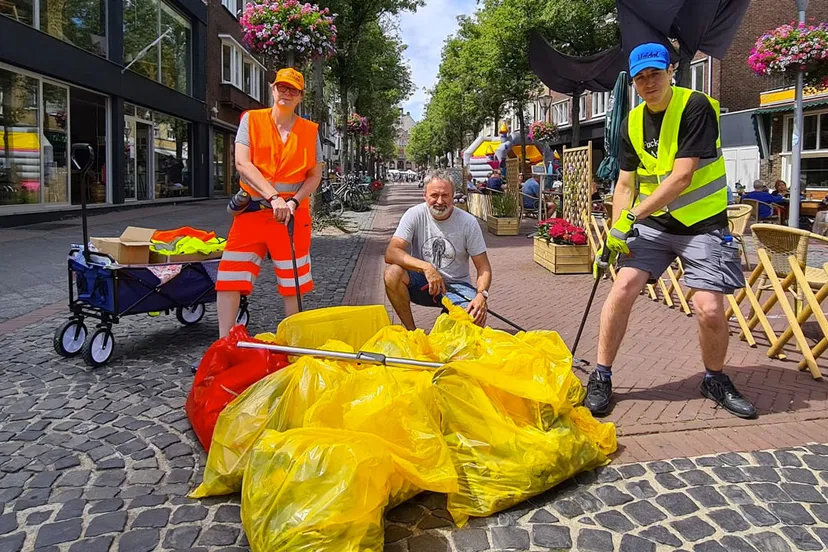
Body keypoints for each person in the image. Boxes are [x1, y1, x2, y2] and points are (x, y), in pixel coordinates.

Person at [586, 42, 757, 420]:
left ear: (671, 72)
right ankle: (601, 376)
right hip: (654, 225)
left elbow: (682, 177)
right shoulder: (631, 122)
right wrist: (616, 232)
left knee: (708, 308)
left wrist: (631, 217)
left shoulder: (696, 106)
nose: (649, 83)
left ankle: (714, 379)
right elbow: (625, 184)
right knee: (622, 287)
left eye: (655, 74)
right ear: (633, 82)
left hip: (702, 224)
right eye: (640, 78)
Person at [215, 68, 323, 339]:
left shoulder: (310, 131)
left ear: (300, 96)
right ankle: (224, 343)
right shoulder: (252, 120)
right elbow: (242, 163)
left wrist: (293, 202)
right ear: (273, 89)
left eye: (293, 90)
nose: (286, 93)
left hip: (292, 217)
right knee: (229, 278)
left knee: (293, 282)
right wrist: (274, 197)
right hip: (251, 213)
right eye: (282, 87)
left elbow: (314, 175)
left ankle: (293, 345)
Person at [384, 169, 493, 330]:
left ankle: (449, 315)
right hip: (423, 283)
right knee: (392, 273)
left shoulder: (468, 222)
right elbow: (391, 252)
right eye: (434, 195)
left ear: (453, 196)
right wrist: (426, 267)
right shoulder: (413, 214)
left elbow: (483, 267)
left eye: (445, 195)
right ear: (425, 195)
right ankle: (411, 332)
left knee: (474, 317)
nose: (440, 201)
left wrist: (481, 295)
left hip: (457, 286)